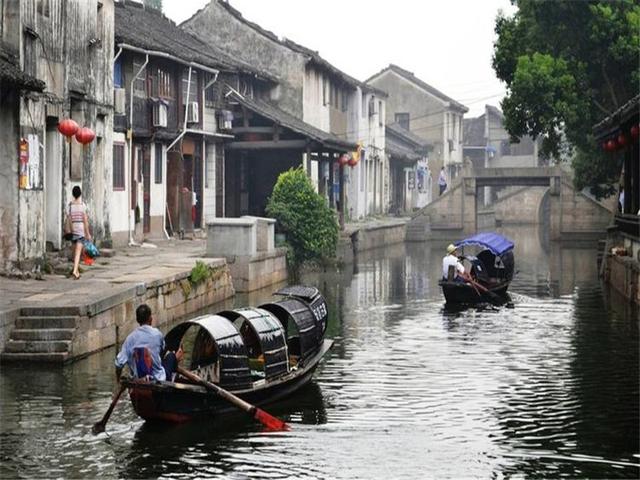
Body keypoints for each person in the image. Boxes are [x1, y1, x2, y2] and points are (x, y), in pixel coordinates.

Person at [115, 304, 183, 383]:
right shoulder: (157, 334)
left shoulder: (130, 339)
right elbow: (162, 350)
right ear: (150, 319)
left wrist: (118, 381)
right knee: (171, 356)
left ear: (137, 320)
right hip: (159, 380)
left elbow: (119, 363)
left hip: (138, 381)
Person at [68, 185, 91, 280]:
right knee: (78, 253)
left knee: (74, 253)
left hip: (74, 230)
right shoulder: (83, 206)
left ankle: (76, 272)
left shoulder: (70, 206)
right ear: (80, 194)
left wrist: (71, 229)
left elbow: (69, 219)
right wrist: (87, 233)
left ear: (73, 194)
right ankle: (74, 271)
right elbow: (85, 220)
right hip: (81, 230)